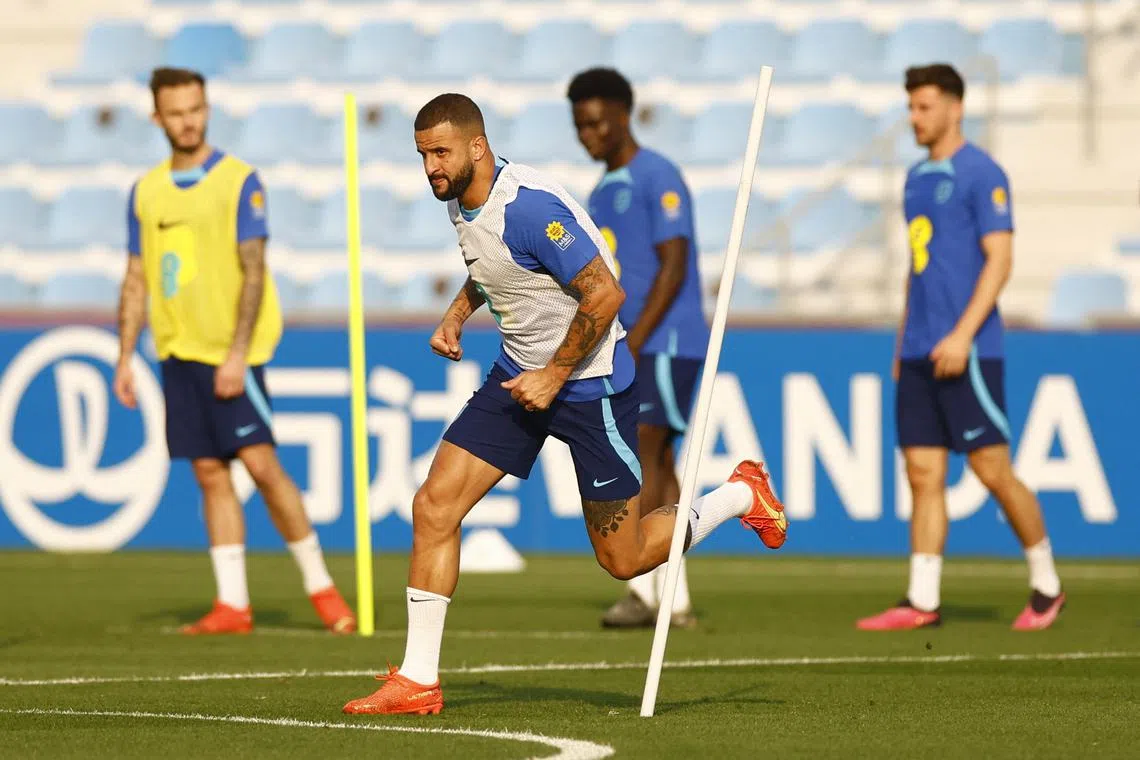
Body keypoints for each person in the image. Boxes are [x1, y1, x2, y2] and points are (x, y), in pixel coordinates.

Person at [341, 93, 787, 716]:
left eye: (440, 153)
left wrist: (554, 375)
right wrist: (458, 311)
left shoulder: (531, 209)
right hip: (518, 377)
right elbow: (497, 266)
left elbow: (606, 295)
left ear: (478, 146)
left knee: (624, 559)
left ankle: (741, 494)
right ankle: (418, 680)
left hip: (591, 386)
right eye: (422, 155)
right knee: (434, 505)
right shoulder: (463, 199)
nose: (430, 169)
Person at [113, 67, 356, 635]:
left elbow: (254, 271)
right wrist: (125, 355)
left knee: (261, 464)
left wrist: (236, 354)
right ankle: (232, 604)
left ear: (207, 107)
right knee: (208, 471)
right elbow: (134, 275)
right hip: (176, 351)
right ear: (157, 118)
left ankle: (323, 591)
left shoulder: (241, 180)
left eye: (196, 107)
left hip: (231, 353)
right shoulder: (145, 192)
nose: (188, 119)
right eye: (176, 111)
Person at [857, 64, 1064, 632]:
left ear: (954, 107)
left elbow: (1000, 260)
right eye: (911, 107)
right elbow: (916, 267)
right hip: (921, 349)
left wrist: (962, 335)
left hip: (968, 350)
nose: (914, 118)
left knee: (993, 469)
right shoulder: (915, 179)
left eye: (924, 107)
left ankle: (1047, 584)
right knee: (923, 473)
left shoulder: (982, 173)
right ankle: (922, 600)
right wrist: (906, 341)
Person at [567, 68, 709, 629]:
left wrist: (640, 338)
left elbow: (675, 263)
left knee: (645, 453)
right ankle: (671, 595)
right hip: (635, 345)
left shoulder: (658, 175)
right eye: (580, 126)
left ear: (625, 114)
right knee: (659, 459)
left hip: (667, 342)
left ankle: (648, 592)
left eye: (597, 122)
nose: (589, 134)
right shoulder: (601, 192)